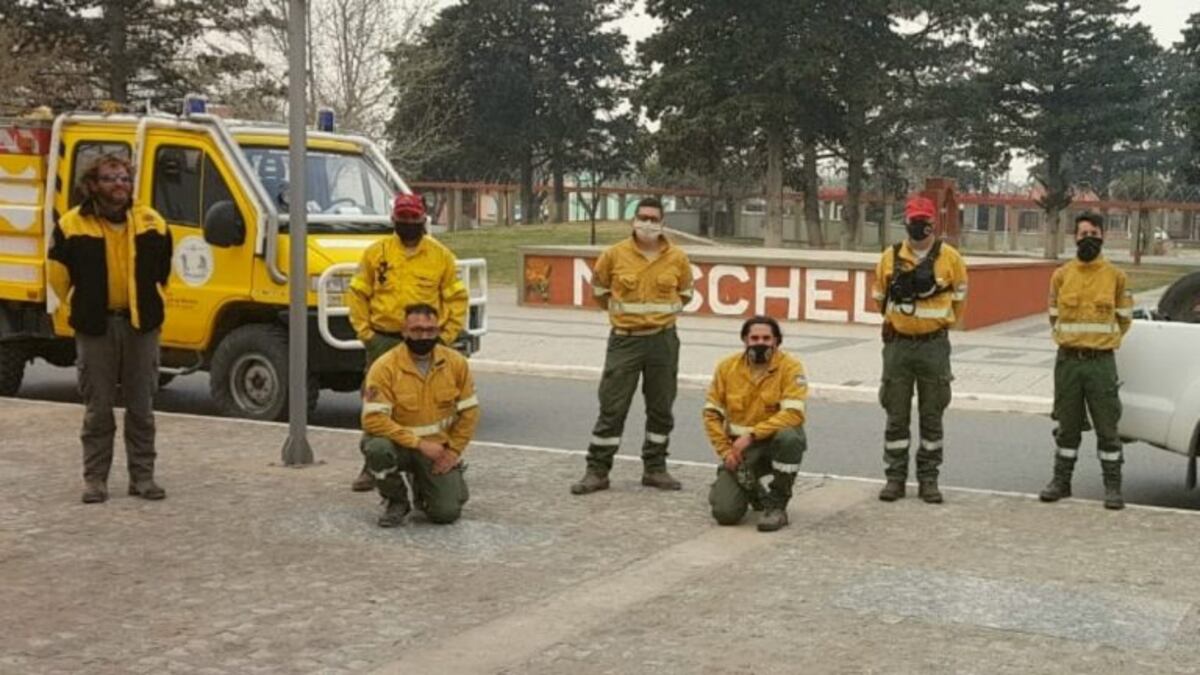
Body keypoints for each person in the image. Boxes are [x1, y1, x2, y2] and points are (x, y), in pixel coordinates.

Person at [48, 154, 174, 504]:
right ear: (92, 185)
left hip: (141, 326)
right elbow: (58, 276)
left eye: (124, 178)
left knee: (142, 407)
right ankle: (95, 480)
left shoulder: (153, 222)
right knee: (98, 408)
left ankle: (143, 478)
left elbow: (165, 269)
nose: (119, 184)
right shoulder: (72, 226)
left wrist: (154, 299)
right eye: (110, 178)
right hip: (95, 328)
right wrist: (80, 306)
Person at [570, 197, 694, 495]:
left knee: (661, 408)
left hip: (663, 340)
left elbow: (686, 293)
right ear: (633, 220)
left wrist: (659, 316)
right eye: (643, 217)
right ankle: (597, 471)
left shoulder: (677, 258)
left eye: (654, 218)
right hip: (625, 340)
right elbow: (599, 292)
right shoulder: (614, 255)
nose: (648, 223)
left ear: (662, 223)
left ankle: (655, 469)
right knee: (612, 407)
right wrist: (625, 316)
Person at [346, 193, 468, 492]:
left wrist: (447, 337)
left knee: (435, 401)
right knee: (376, 405)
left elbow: (456, 298)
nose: (408, 224)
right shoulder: (377, 253)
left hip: (426, 340)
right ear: (393, 220)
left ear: (423, 219)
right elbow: (358, 293)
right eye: (403, 219)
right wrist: (366, 333)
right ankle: (373, 463)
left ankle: (438, 455)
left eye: (414, 219)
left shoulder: (440, 256)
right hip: (383, 340)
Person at [871, 195, 968, 504]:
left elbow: (960, 299)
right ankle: (894, 479)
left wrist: (938, 325)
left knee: (932, 415)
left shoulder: (950, 258)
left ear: (931, 224)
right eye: (910, 221)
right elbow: (879, 298)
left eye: (920, 222)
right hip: (898, 346)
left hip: (933, 347)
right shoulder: (889, 257)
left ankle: (929, 480)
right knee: (896, 415)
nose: (915, 227)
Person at [1040, 212, 1133, 510]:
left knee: (1107, 427)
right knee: (1067, 426)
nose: (1088, 238)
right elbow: (1054, 316)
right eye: (1083, 234)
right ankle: (1061, 482)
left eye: (1094, 232)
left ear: (1102, 235)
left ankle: (1113, 487)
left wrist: (1101, 343)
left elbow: (1124, 319)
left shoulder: (1116, 277)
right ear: (1074, 238)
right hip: (1068, 362)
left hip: (1100, 363)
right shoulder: (1062, 275)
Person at [360, 303, 479, 527]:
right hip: (397, 447)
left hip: (437, 450)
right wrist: (419, 444)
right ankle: (396, 500)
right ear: (404, 332)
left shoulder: (455, 363)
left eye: (430, 330)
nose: (423, 336)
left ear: (438, 331)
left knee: (446, 513)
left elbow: (470, 412)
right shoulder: (384, 367)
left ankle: (427, 488)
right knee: (377, 450)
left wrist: (453, 452)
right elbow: (373, 419)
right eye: (416, 330)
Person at [703, 316, 808, 532]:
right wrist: (725, 452)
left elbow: (793, 414)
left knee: (790, 437)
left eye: (766, 338)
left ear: (777, 341)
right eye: (754, 338)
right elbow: (711, 414)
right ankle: (752, 490)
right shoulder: (726, 368)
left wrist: (751, 435)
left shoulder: (790, 367)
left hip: (774, 446)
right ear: (745, 340)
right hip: (742, 450)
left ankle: (778, 505)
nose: (760, 343)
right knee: (724, 513)